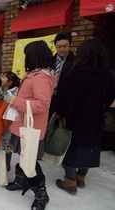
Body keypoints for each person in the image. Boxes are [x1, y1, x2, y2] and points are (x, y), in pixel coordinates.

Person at [55, 39, 115, 195]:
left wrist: (62, 114)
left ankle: (70, 181)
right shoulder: (107, 74)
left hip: (76, 120)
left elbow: (68, 100)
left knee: (71, 149)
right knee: (90, 148)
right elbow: (109, 99)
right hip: (96, 120)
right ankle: (81, 177)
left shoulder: (77, 74)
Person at [6, 40, 57, 210]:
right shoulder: (36, 74)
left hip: (31, 127)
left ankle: (41, 193)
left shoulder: (41, 77)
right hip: (24, 125)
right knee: (23, 156)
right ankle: (21, 181)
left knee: (30, 162)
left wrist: (16, 101)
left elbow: (43, 104)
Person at [0, 71, 20, 171]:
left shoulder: (14, 95)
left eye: (3, 77)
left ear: (9, 82)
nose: (0, 78)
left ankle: (6, 164)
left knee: (6, 144)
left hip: (8, 124)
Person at [49, 31, 75, 119]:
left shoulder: (75, 62)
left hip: (65, 99)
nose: (62, 49)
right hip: (49, 98)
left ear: (70, 45)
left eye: (65, 46)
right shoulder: (50, 61)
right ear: (55, 46)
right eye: (59, 46)